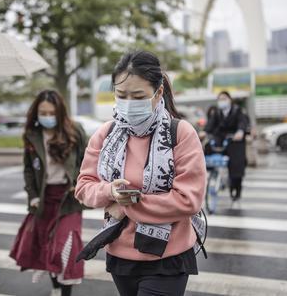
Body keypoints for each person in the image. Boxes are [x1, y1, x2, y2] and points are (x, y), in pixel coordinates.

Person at [75, 50, 206, 296]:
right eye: (121, 95)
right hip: (120, 254)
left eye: (138, 96)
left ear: (158, 94)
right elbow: (84, 187)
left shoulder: (180, 133)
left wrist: (126, 206)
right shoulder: (106, 135)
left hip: (168, 256)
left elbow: (189, 199)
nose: (128, 103)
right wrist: (109, 190)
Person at [9, 90, 88, 296]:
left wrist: (79, 181)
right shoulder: (32, 136)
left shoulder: (75, 131)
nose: (47, 117)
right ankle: (55, 288)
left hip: (69, 199)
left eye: (51, 113)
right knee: (48, 246)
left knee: (65, 248)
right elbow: (28, 169)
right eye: (42, 113)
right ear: (36, 113)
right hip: (44, 200)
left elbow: (90, 161)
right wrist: (33, 196)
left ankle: (65, 293)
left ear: (60, 112)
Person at [203, 91, 248, 201]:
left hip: (234, 140)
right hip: (220, 139)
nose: (222, 101)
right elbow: (210, 125)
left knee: (236, 165)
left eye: (224, 98)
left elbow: (242, 123)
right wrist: (204, 132)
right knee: (207, 146)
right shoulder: (217, 113)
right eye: (220, 99)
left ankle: (236, 188)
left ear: (230, 100)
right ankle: (205, 172)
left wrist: (240, 132)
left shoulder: (237, 111)